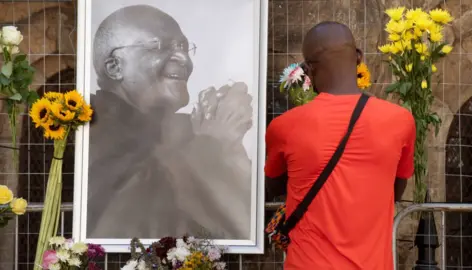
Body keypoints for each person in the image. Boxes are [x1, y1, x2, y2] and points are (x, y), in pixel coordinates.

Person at [87, 5, 252, 239]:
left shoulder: (186, 129)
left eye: (184, 47)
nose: (183, 58)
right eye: (159, 46)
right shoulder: (95, 125)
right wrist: (215, 143)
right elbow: (127, 215)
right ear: (115, 67)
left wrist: (231, 145)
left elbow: (235, 219)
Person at [264, 21, 415, 269]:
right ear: (359, 58)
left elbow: (275, 184)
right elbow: (396, 190)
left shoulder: (285, 126)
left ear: (308, 71)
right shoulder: (401, 121)